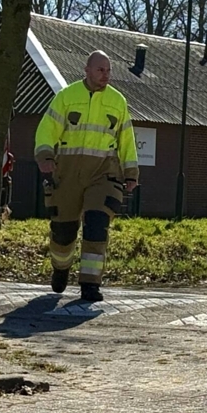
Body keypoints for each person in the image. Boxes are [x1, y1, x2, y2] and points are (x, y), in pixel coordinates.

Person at [35, 51, 139, 302]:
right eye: (101, 70)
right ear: (87, 70)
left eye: (109, 70)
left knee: (96, 223)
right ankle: (60, 268)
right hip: (67, 174)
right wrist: (46, 156)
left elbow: (126, 138)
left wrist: (131, 172)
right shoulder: (66, 97)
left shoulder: (118, 101)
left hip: (104, 174)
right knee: (63, 231)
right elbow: (47, 129)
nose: (106, 75)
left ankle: (90, 284)